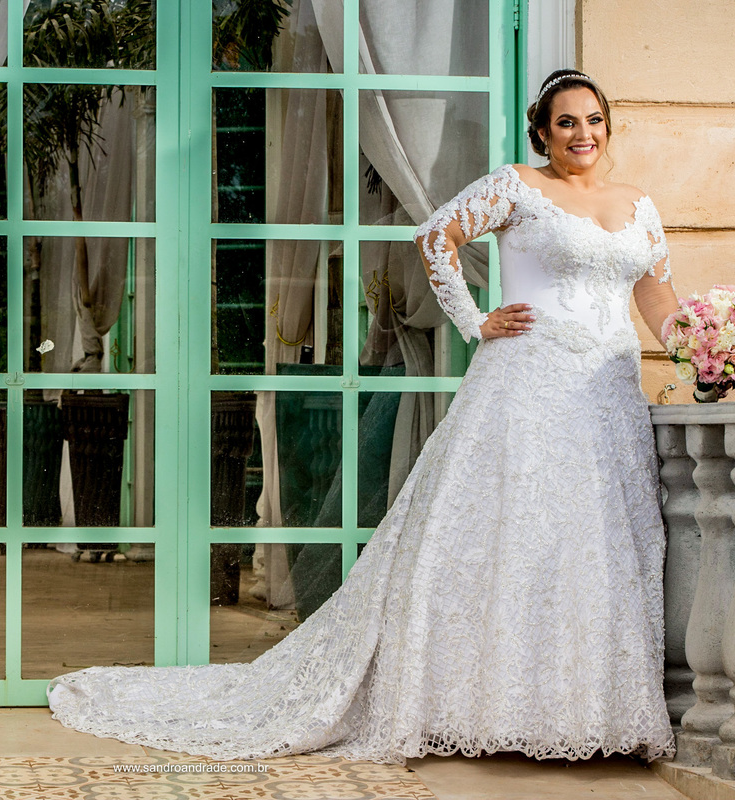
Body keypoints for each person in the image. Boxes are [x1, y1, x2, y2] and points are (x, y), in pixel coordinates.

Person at [46, 69, 679, 765]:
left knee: (594, 547)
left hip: (606, 396)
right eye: (566, 122)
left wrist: (704, 350)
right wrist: (474, 320)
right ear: (542, 131)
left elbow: (657, 299)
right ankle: (492, 711)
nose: (582, 134)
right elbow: (435, 237)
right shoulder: (518, 185)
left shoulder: (637, 205)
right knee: (510, 537)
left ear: (608, 126)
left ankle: (586, 714)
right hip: (526, 384)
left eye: (593, 120)